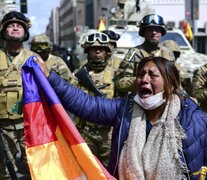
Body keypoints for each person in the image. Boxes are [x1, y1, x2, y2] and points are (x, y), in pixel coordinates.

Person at [36, 55, 207, 180]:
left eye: (153, 75)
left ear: (170, 84)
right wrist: (50, 77)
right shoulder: (126, 108)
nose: (144, 79)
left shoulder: (194, 120)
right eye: (141, 74)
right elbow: (87, 104)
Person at [0, 11, 37, 179]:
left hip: (29, 125)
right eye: (10, 25)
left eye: (19, 26)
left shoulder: (34, 59)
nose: (15, 27)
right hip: (2, 127)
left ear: (25, 32)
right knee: (5, 171)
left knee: (34, 166)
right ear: (3, 31)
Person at [72, 32, 117, 167]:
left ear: (106, 52)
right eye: (93, 49)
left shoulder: (115, 74)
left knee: (109, 170)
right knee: (86, 169)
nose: (97, 51)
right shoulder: (78, 75)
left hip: (108, 132)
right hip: (85, 131)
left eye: (101, 49)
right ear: (87, 51)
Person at [115, 14, 175, 97]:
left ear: (161, 32)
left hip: (163, 100)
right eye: (150, 29)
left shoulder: (168, 54)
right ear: (144, 32)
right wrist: (143, 81)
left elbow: (175, 80)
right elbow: (121, 83)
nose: (154, 32)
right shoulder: (134, 53)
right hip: (140, 99)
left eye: (157, 29)